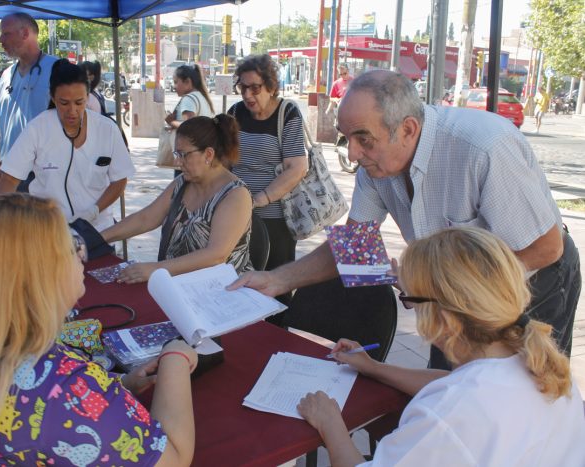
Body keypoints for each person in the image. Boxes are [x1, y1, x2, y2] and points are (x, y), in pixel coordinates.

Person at [230, 70, 580, 369]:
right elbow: (354, 248)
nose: (352, 154)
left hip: (537, 275)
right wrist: (276, 280)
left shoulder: (484, 147)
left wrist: (437, 286)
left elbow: (545, 248)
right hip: (461, 288)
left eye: (363, 139)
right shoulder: (375, 163)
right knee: (450, 385)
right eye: (346, 138)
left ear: (408, 129)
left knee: (519, 389)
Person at [0, 193, 197, 466]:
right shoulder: (62, 386)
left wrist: (120, 386)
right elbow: (173, 458)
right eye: (70, 247)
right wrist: (175, 359)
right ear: (42, 274)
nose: (81, 255)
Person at [297, 227, 585, 466]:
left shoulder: (452, 413)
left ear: (443, 318)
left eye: (411, 300)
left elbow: (456, 398)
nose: (409, 307)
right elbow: (453, 382)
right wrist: (375, 368)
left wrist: (330, 423)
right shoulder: (539, 364)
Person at [101, 115, 252, 283]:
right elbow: (146, 218)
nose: (177, 161)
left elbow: (216, 255)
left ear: (208, 154)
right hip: (177, 286)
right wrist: (97, 238)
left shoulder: (236, 195)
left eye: (183, 154)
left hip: (220, 293)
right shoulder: (183, 183)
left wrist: (155, 269)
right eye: (176, 153)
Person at [0, 60, 134, 231]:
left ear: (88, 97)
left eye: (79, 102)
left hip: (97, 229)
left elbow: (119, 180)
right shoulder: (37, 128)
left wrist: (94, 211)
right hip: (49, 231)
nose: (72, 111)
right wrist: (3, 219)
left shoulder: (108, 129)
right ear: (53, 98)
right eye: (64, 103)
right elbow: (8, 179)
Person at [227, 53, 307, 305]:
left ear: (271, 86)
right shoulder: (235, 112)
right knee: (237, 283)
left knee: (275, 290)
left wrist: (260, 199)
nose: (248, 95)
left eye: (255, 88)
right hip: (238, 216)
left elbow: (297, 168)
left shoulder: (288, 113)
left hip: (276, 219)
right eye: (243, 88)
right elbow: (224, 161)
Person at [0, 12, 58, 188]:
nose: (0, 40)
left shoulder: (58, 70)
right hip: (10, 171)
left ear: (25, 33)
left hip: (43, 174)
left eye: (6, 33)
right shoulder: (7, 75)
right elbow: (4, 125)